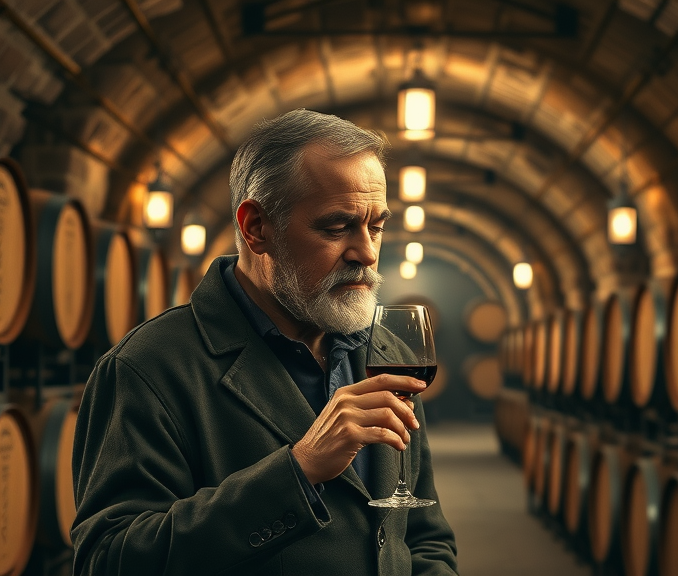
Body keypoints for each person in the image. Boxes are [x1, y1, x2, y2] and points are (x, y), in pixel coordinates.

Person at [72, 109, 459, 575]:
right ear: (256, 227)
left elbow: (422, 535)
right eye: (337, 227)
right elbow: (108, 560)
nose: (368, 252)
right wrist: (298, 469)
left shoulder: (386, 356)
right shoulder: (148, 367)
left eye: (375, 225)